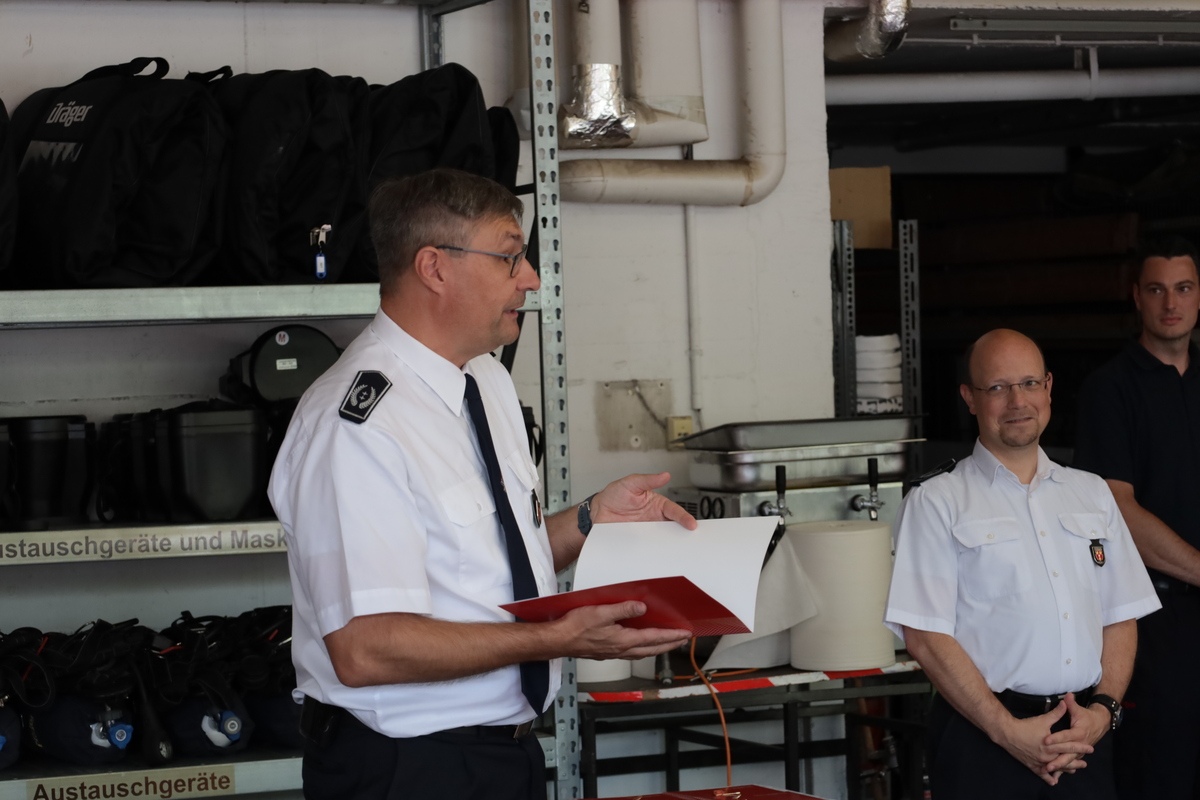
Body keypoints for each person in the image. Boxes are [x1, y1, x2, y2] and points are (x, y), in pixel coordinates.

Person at [268, 168, 696, 800]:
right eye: (509, 257)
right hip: (409, 770)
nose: (531, 279)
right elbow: (365, 650)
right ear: (434, 268)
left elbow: (483, 568)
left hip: (503, 754)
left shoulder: (484, 379)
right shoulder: (357, 424)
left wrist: (589, 519)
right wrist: (559, 639)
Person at [884, 328, 1159, 800]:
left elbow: (1121, 614)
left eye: (1029, 383)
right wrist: (1006, 730)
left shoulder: (1091, 492)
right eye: (997, 387)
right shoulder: (936, 501)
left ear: (1049, 388)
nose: (1017, 401)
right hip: (983, 742)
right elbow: (925, 636)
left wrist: (1103, 712)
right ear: (969, 398)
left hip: (1082, 740)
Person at [1074, 236, 1200, 800]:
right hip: (1155, 620)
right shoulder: (1110, 389)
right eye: (1156, 290)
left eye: (1183, 288)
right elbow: (1115, 510)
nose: (1170, 303)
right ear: (1136, 297)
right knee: (1161, 774)